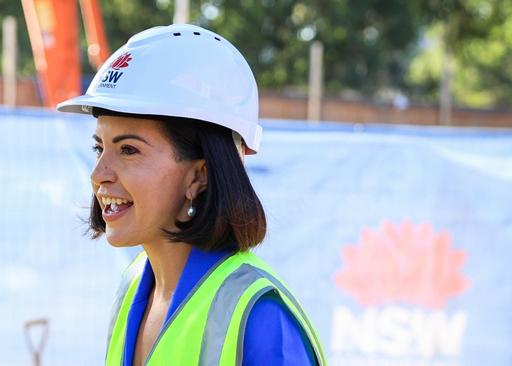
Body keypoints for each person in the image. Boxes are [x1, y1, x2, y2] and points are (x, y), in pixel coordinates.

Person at [58, 24, 327, 366]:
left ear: (199, 175)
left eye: (128, 150)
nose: (98, 174)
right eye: (99, 148)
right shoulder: (134, 287)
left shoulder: (260, 317)